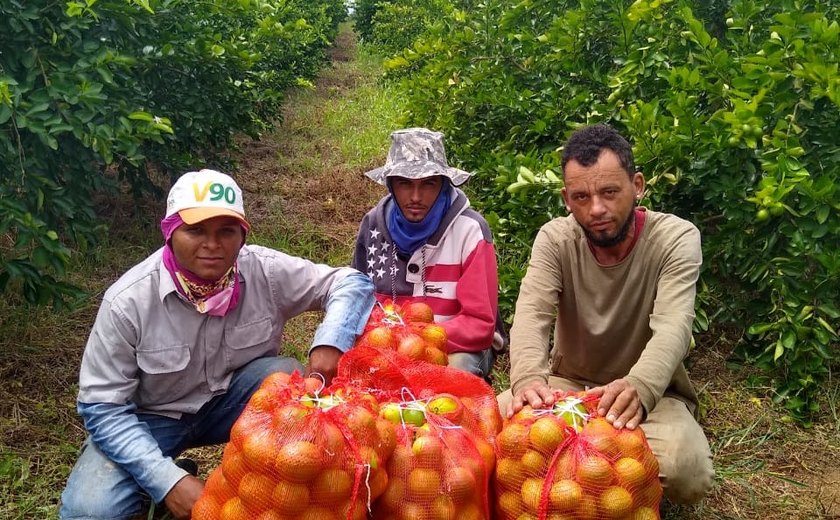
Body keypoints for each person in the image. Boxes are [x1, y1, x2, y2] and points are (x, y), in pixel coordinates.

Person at [59, 169, 374, 520]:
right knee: (90, 512)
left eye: (226, 231)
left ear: (242, 235)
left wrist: (331, 341)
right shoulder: (128, 301)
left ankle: (266, 490)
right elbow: (102, 408)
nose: (212, 244)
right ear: (170, 232)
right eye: (195, 230)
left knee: (285, 376)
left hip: (234, 405)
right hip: (152, 420)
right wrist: (167, 481)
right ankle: (161, 487)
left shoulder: (263, 271)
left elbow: (351, 282)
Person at [497, 124, 714, 504]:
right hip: (565, 388)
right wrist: (529, 380)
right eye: (581, 197)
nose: (596, 209)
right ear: (566, 198)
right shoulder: (555, 239)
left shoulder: (676, 239)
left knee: (686, 471)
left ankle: (586, 476)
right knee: (485, 434)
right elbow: (532, 314)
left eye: (609, 192)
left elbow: (673, 327)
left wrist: (641, 386)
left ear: (638, 186)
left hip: (649, 398)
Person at [352, 128, 505, 379]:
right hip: (389, 345)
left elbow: (479, 324)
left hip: (454, 345)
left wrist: (416, 339)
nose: (415, 197)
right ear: (391, 185)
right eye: (404, 184)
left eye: (428, 184)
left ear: (443, 184)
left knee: (454, 374)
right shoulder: (372, 226)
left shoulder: (470, 230)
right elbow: (355, 301)